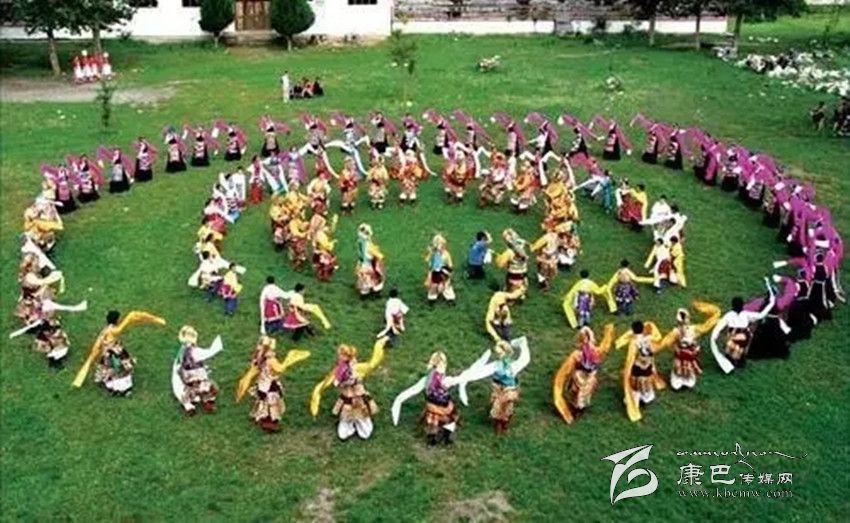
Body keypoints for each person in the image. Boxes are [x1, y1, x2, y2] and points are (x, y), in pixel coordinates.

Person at [72, 310, 167, 394]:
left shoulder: (107, 329)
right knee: (117, 369)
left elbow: (98, 345)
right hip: (114, 354)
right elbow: (123, 326)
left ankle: (114, 384)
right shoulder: (113, 330)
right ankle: (119, 387)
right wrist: (129, 319)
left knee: (113, 368)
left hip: (110, 353)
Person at [310, 338, 387, 441]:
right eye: (340, 355)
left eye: (342, 355)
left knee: (365, 433)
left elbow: (371, 364)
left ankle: (361, 422)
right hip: (347, 396)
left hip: (358, 396)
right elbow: (331, 380)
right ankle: (349, 423)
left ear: (348, 356)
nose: (340, 357)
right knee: (343, 433)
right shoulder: (340, 368)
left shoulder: (357, 367)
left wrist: (379, 345)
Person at [236, 336, 310, 432]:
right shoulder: (271, 360)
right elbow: (279, 369)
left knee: (263, 401)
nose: (274, 352)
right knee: (272, 403)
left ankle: (260, 417)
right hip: (269, 385)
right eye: (272, 350)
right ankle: (269, 422)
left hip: (262, 384)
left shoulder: (259, 359)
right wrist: (289, 360)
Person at [710, 279, 776, 374]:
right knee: (741, 348)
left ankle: (731, 360)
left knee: (731, 347)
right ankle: (739, 361)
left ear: (732, 306)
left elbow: (719, 327)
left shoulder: (729, 315)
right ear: (742, 306)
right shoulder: (746, 314)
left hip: (734, 337)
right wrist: (771, 302)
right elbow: (761, 315)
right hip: (744, 337)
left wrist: (714, 336)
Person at [552, 324, 615, 423]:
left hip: (580, 377)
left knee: (577, 393)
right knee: (584, 394)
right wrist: (608, 332)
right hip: (589, 377)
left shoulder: (577, 355)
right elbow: (605, 347)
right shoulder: (596, 352)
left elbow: (565, 371)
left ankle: (575, 408)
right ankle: (580, 408)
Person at [655, 302, 721, 390]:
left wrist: (716, 321)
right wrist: (674, 348)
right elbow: (666, 343)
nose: (683, 326)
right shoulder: (676, 332)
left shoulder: (694, 330)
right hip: (680, 355)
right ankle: (677, 375)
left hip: (690, 356)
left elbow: (706, 326)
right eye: (681, 323)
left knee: (688, 371)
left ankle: (688, 376)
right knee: (678, 371)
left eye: (684, 322)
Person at [618, 320, 665, 422]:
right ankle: (646, 395)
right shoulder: (649, 339)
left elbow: (630, 359)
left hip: (637, 372)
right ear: (643, 329)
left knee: (631, 392)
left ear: (633, 330)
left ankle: (636, 396)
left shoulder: (633, 343)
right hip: (647, 371)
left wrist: (626, 373)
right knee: (648, 395)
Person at [172, 326, 222, 415]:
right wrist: (218, 344)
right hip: (194, 378)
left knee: (186, 392)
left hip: (185, 379)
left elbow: (177, 367)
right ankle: (208, 401)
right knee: (212, 387)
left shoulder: (182, 350)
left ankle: (189, 406)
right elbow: (209, 352)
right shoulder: (194, 351)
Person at [355, 223, 386, 298]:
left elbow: (361, 254)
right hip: (368, 264)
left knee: (366, 277)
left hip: (364, 263)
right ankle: (371, 292)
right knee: (370, 277)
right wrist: (375, 256)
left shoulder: (361, 242)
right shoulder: (365, 243)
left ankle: (366, 292)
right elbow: (367, 256)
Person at [425, 234, 456, 306]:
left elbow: (450, 264)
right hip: (435, 272)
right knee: (433, 285)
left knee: (446, 285)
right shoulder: (433, 254)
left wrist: (449, 272)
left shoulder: (446, 254)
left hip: (444, 271)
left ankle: (450, 298)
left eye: (443, 245)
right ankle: (432, 298)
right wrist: (430, 253)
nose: (442, 247)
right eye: (440, 245)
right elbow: (428, 261)